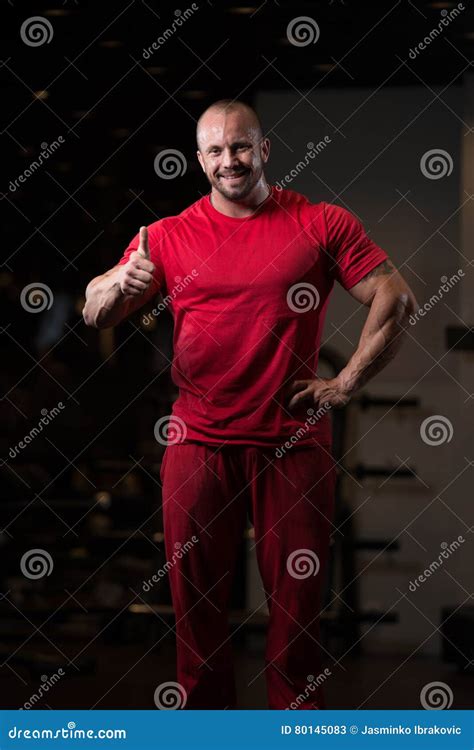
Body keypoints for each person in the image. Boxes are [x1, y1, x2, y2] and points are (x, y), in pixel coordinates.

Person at [82, 99, 418, 709]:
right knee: (196, 604)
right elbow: (94, 310)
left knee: (297, 607)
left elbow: (395, 297)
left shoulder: (321, 222)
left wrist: (345, 384)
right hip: (198, 443)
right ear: (200, 159)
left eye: (240, 147)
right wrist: (113, 286)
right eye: (215, 150)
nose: (229, 160)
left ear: (264, 150)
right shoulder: (167, 235)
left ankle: (295, 725)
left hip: (291, 444)